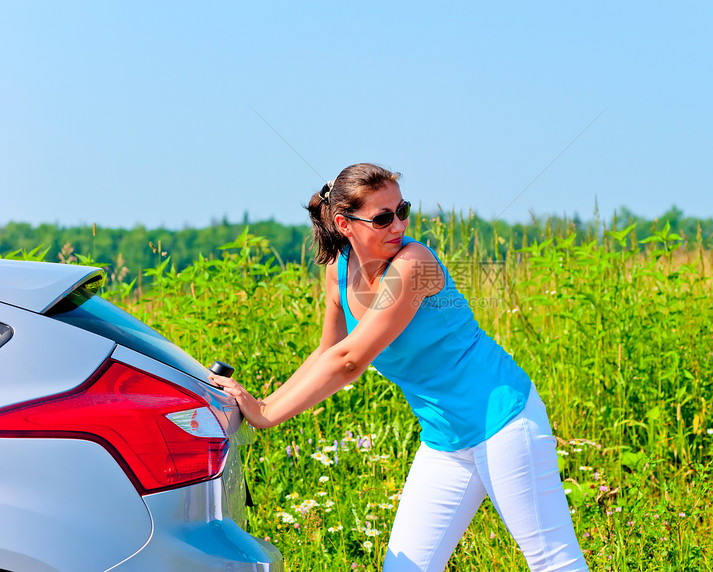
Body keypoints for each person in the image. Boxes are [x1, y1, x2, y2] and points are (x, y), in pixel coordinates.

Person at [210, 163, 590, 571]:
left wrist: (266, 415)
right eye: (382, 217)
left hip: (504, 423)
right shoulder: (338, 271)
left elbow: (351, 361)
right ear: (344, 224)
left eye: (403, 209)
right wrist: (261, 402)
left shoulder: (414, 263)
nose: (399, 225)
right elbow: (329, 351)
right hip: (445, 441)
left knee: (554, 563)